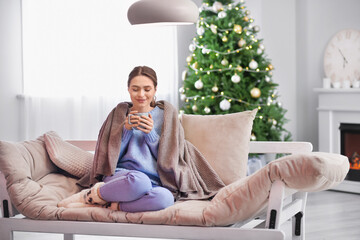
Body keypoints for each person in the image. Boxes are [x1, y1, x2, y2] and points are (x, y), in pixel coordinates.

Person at [59, 66, 225, 212]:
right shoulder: (119, 113)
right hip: (123, 177)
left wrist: (151, 134)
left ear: (155, 89)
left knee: (165, 199)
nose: (141, 94)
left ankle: (104, 203)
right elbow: (109, 156)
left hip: (154, 181)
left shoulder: (166, 115)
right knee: (139, 182)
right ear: (128, 89)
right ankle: (88, 195)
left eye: (147, 89)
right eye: (135, 89)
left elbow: (171, 156)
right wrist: (126, 131)